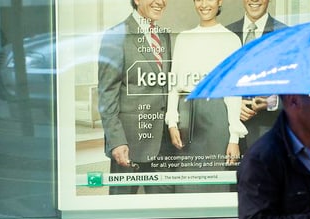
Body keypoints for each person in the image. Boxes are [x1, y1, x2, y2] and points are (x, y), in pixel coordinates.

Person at [98, 0, 174, 194]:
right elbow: (107, 95)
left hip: (162, 144)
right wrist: (116, 141)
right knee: (122, 213)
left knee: (164, 214)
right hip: (128, 144)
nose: (160, 2)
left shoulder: (164, 35)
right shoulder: (116, 36)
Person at [165, 0, 245, 182]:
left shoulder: (231, 39)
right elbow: (174, 83)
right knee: (186, 183)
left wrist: (234, 138)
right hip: (186, 117)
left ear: (219, 1)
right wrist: (172, 123)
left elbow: (233, 92)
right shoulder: (183, 38)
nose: (204, 5)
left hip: (216, 117)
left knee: (215, 182)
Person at [226, 0, 286, 153]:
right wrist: (234, 105)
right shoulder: (226, 33)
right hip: (227, 137)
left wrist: (269, 102)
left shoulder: (285, 35)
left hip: (268, 136)